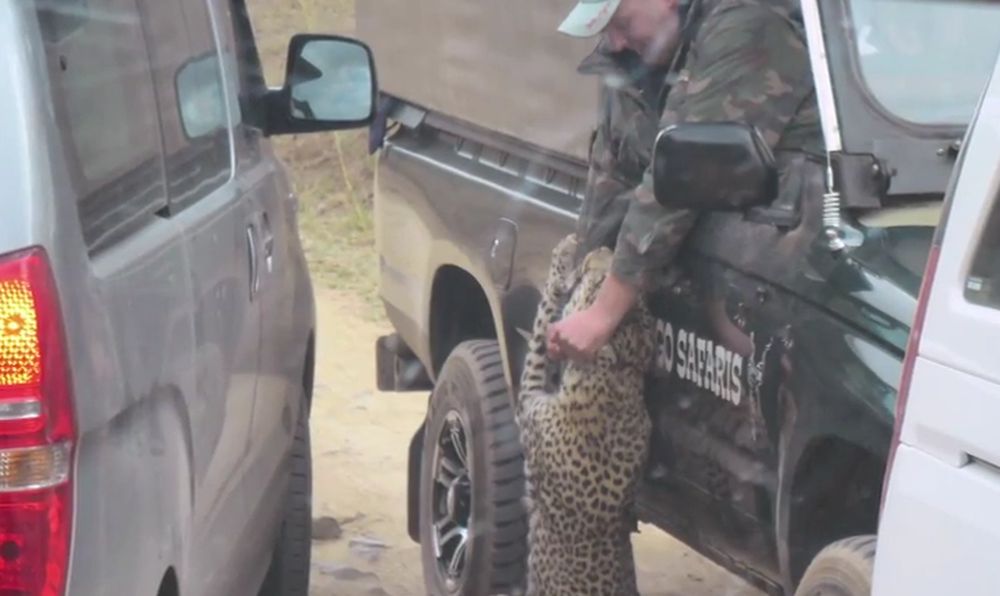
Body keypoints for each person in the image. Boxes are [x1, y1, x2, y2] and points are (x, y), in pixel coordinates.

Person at [547, 0, 822, 362]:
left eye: (621, 24)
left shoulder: (748, 23)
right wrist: (579, 292)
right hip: (699, 292)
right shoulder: (639, 57)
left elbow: (688, 167)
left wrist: (603, 312)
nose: (613, 43)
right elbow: (612, 180)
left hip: (786, 289)